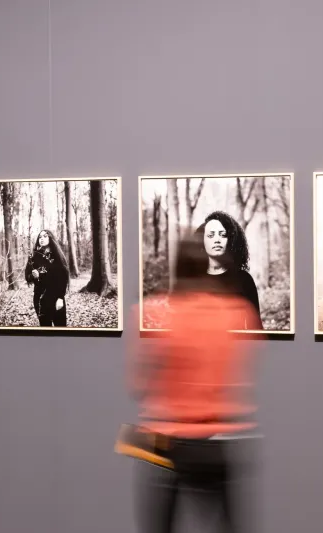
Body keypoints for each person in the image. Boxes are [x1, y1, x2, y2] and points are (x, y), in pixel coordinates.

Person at [125, 236, 263, 533]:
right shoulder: (234, 312)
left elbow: (137, 385)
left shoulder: (154, 314)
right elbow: (239, 374)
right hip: (216, 444)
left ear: (177, 270)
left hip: (163, 442)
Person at [195, 211, 264, 330]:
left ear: (230, 241)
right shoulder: (193, 280)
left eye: (223, 235)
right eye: (211, 235)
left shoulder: (244, 280)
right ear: (202, 241)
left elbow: (256, 330)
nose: (217, 240)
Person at [24, 230, 69, 327]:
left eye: (45, 236)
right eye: (40, 237)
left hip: (56, 297)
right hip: (40, 298)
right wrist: (33, 275)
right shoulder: (34, 257)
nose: (42, 239)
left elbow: (63, 278)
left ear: (50, 238)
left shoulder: (57, 256)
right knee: (45, 328)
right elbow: (27, 277)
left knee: (61, 328)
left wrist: (60, 298)